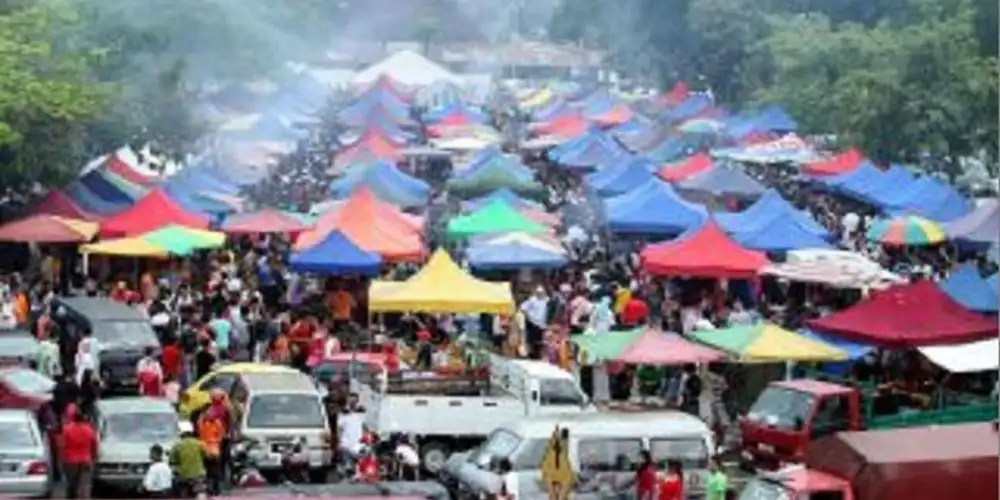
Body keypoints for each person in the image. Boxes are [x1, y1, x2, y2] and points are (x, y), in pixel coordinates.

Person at [59, 405, 98, 499]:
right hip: (85, 460)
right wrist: (93, 456)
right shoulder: (89, 429)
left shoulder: (67, 429)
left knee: (71, 484)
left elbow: (62, 445)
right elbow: (94, 444)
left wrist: (61, 460)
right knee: (84, 484)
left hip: (70, 461)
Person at [171, 422, 207, 498]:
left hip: (184, 475)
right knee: (200, 492)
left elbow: (172, 460)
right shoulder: (200, 444)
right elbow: (206, 456)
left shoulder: (177, 445)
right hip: (199, 475)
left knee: (183, 492)